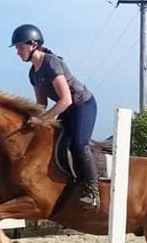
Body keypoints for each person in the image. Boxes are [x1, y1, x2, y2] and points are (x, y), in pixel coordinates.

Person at [10, 23, 100, 209]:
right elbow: (41, 104)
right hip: (66, 109)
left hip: (82, 105)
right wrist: (27, 120)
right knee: (50, 141)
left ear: (33, 44)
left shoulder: (51, 63)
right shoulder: (32, 73)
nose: (17, 51)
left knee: (78, 144)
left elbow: (66, 100)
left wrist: (42, 119)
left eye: (20, 46)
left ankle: (93, 192)